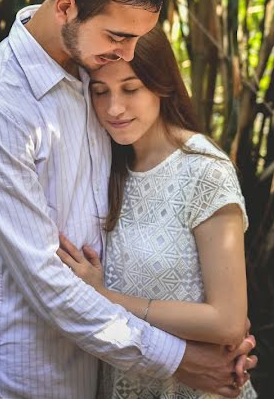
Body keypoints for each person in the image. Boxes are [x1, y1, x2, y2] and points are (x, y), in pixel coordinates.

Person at [0, 0, 256, 399]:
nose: (126, 56)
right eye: (117, 36)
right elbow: (46, 282)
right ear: (66, 6)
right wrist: (181, 361)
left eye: (138, 42)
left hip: (92, 378)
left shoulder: (94, 73)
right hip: (12, 379)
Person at [55, 26, 258, 398]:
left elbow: (228, 322)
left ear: (161, 83)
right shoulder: (101, 166)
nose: (114, 108)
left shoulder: (204, 171)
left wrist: (110, 300)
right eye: (100, 92)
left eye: (130, 89)